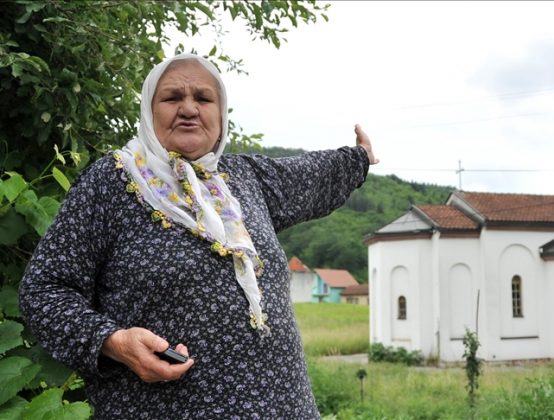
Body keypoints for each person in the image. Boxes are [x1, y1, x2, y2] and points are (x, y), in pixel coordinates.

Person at [19, 53, 378, 418]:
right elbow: (44, 290)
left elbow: (312, 175)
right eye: (173, 98)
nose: (188, 108)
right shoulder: (111, 182)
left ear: (221, 119)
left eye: (203, 99)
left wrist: (359, 157)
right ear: (148, 110)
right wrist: (112, 342)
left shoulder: (245, 179)